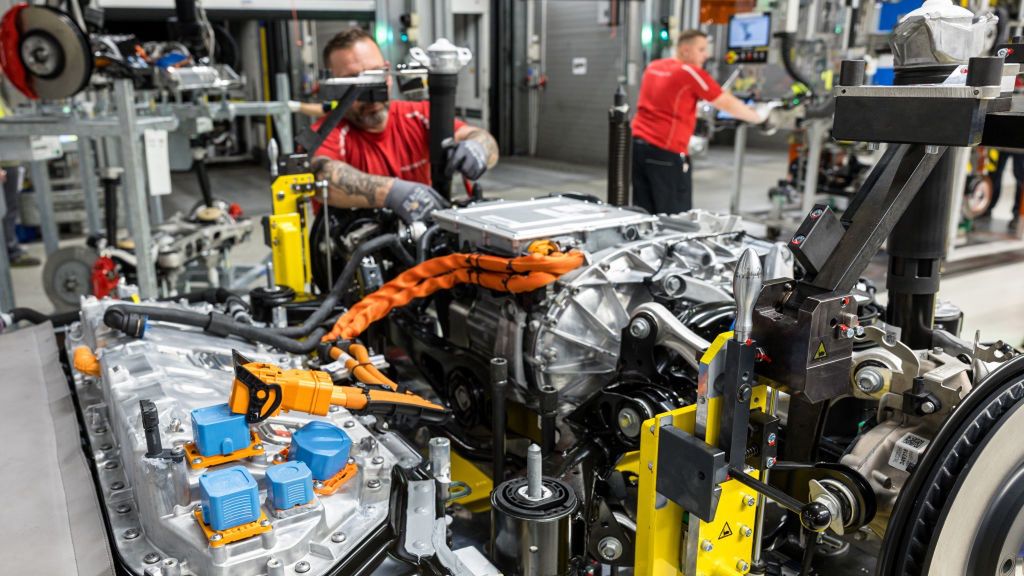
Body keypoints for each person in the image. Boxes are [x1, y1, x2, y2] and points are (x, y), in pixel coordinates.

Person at [311, 28, 499, 224]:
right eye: (354, 81)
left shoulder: (419, 115)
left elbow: (482, 139)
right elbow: (321, 176)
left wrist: (478, 148)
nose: (370, 93)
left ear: (388, 73)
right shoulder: (326, 133)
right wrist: (391, 192)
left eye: (376, 75)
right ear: (334, 86)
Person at [631, 29, 774, 215]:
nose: (706, 55)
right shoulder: (689, 72)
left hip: (638, 149)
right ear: (685, 50)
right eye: (701, 49)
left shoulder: (654, 67)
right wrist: (758, 116)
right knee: (676, 218)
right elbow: (724, 101)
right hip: (666, 153)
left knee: (644, 212)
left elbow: (663, 100)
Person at [983, 149, 1024, 229]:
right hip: (998, 145)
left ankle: (1018, 214)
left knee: (1021, 178)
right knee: (993, 174)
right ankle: (986, 207)